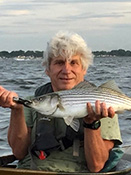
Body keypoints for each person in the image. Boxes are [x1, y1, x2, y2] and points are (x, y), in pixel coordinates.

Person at [0, 31, 123, 173]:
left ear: (84, 70)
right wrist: (16, 110)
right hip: (31, 171)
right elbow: (19, 152)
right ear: (47, 69)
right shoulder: (31, 103)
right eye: (59, 62)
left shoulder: (102, 103)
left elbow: (96, 166)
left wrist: (92, 123)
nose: (66, 70)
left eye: (73, 63)